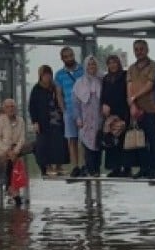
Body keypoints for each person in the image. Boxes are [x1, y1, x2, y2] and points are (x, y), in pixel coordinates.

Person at [127, 38, 155, 178]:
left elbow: (149, 85)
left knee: (152, 139)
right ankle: (143, 168)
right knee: (140, 140)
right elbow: (129, 87)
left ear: (147, 50)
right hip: (136, 110)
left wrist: (134, 97)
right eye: (136, 49)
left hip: (150, 108)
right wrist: (132, 105)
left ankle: (154, 168)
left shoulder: (153, 66)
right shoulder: (131, 68)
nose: (139, 52)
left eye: (141, 49)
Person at [28, 65, 68, 177]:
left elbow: (62, 100)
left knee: (59, 143)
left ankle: (59, 166)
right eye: (45, 75)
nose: (47, 77)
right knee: (44, 145)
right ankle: (48, 167)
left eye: (49, 74)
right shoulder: (36, 89)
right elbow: (32, 107)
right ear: (40, 76)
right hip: (43, 122)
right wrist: (35, 121)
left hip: (57, 121)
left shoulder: (55, 87)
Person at [0, 98, 32, 207]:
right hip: (3, 149)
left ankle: (11, 189)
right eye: (8, 107)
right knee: (10, 161)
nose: (11, 109)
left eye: (12, 106)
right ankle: (13, 191)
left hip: (16, 150)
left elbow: (22, 139)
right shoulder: (1, 120)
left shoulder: (21, 120)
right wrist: (7, 150)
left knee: (33, 146)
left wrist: (15, 151)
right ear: (4, 109)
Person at [100, 53, 132, 177]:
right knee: (112, 141)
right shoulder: (106, 79)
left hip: (123, 112)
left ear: (118, 63)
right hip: (110, 115)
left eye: (114, 62)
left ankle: (127, 168)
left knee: (124, 141)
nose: (112, 65)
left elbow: (128, 92)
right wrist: (103, 105)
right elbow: (103, 95)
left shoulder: (125, 75)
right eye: (110, 63)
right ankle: (115, 168)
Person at [71, 56, 103, 177]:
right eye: (89, 64)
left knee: (98, 143)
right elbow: (75, 103)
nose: (91, 67)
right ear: (85, 66)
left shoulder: (101, 80)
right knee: (87, 143)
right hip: (85, 119)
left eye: (93, 64)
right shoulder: (79, 83)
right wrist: (78, 118)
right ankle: (90, 169)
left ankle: (97, 169)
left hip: (99, 118)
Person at [54, 46, 83, 175]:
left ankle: (84, 165)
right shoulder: (59, 74)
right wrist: (64, 110)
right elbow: (59, 94)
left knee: (84, 139)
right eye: (66, 57)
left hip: (82, 110)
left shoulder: (82, 70)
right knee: (72, 139)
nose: (69, 58)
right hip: (69, 110)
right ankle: (75, 166)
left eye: (71, 55)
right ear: (62, 58)